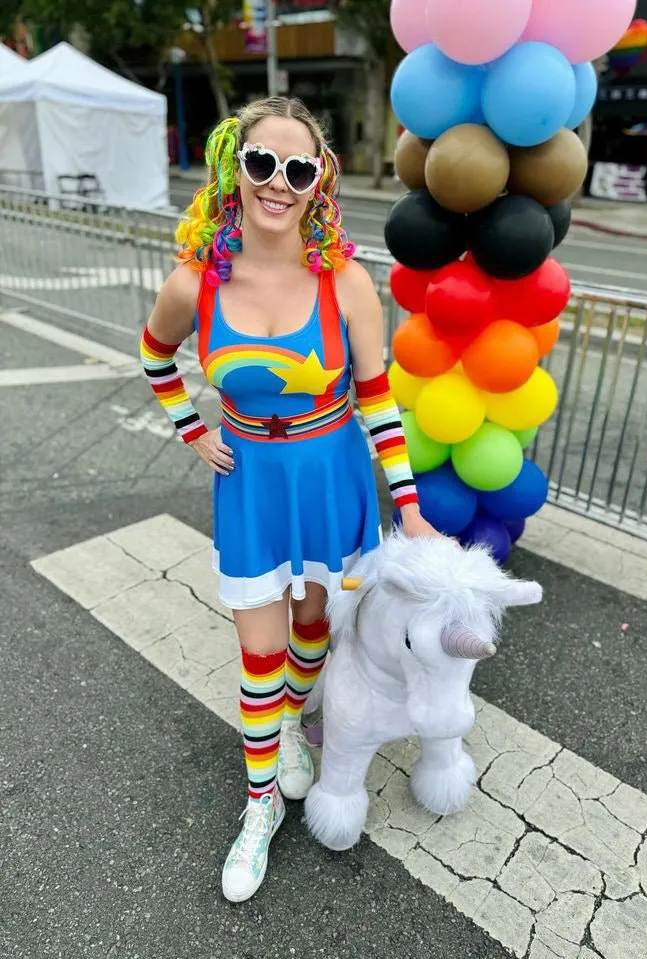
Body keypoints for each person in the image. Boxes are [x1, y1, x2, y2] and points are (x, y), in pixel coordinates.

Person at [140, 96, 438, 902]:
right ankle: (260, 804)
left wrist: (407, 506)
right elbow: (155, 355)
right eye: (261, 163)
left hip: (332, 475)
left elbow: (377, 399)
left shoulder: (346, 281)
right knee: (258, 650)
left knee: (312, 626)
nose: (278, 182)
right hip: (252, 486)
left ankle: (292, 730)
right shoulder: (192, 280)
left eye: (297, 168)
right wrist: (188, 429)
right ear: (232, 165)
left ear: (319, 181)